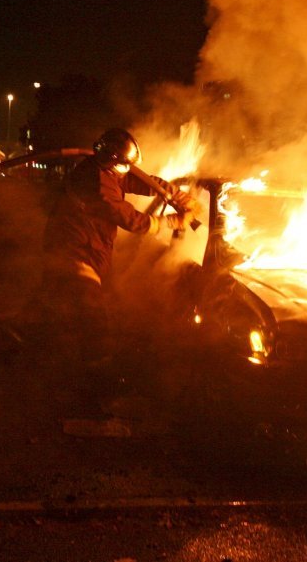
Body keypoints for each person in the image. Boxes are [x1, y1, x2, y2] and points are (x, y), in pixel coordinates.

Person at [38, 128, 197, 437]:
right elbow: (127, 216)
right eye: (124, 165)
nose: (126, 170)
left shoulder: (104, 170)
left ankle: (14, 365)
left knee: (49, 315)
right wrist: (169, 222)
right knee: (96, 329)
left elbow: (138, 179)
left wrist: (174, 195)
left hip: (76, 256)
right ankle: (94, 407)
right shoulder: (95, 182)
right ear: (112, 161)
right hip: (75, 257)